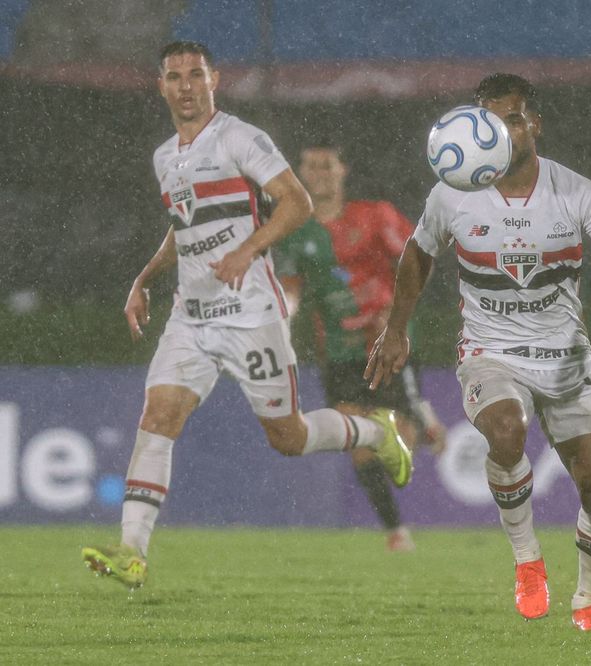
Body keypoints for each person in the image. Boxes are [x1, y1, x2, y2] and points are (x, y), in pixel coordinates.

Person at [81, 41, 413, 589]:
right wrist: (144, 279)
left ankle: (373, 432)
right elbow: (183, 228)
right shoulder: (165, 157)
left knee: (289, 437)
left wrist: (248, 249)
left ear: (214, 79)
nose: (186, 86)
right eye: (174, 77)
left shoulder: (239, 137)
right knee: (158, 416)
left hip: (250, 313)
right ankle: (132, 552)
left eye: (195, 74)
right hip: (191, 317)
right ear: (161, 86)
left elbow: (297, 202)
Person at [366, 73, 591, 631]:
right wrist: (397, 328)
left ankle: (588, 600)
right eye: (492, 121)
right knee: (505, 430)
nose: (504, 130)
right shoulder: (453, 192)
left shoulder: (573, 191)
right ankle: (528, 560)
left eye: (515, 118)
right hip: (490, 347)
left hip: (566, 355)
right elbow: (418, 254)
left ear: (535, 124)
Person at [276, 144, 448, 552]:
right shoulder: (295, 232)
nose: (319, 172)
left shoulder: (375, 216)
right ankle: (396, 532)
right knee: (360, 447)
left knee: (398, 447)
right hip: (338, 351)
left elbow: (418, 260)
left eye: (327, 165)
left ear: (343, 170)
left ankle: (419, 419)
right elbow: (290, 289)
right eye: (311, 165)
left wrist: (396, 309)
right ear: (301, 173)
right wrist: (282, 316)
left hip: (387, 343)